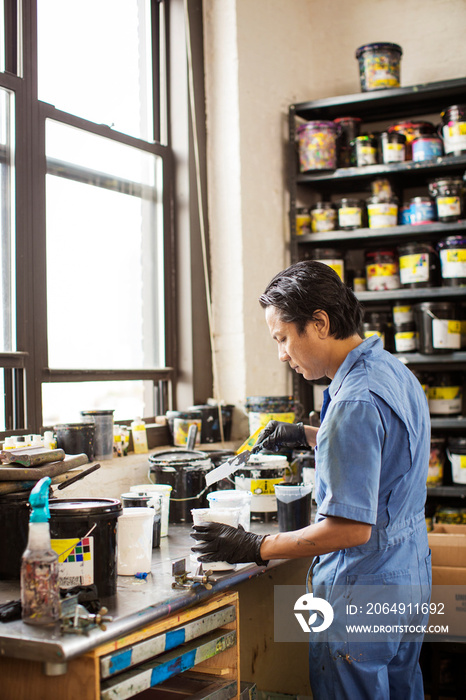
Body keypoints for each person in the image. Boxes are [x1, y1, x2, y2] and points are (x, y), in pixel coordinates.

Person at [191, 260, 431, 700]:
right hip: (407, 572)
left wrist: (255, 547)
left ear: (318, 323)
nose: (282, 354)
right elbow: (388, 449)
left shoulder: (352, 401)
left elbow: (350, 529)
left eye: (283, 338)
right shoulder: (391, 372)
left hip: (362, 590)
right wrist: (306, 436)